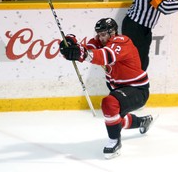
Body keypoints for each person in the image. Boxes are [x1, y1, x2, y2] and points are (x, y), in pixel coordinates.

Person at [59, 18, 153, 159]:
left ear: (113, 32)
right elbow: (86, 48)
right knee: (116, 120)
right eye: (99, 34)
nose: (101, 38)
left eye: (104, 34)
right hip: (119, 89)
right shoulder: (99, 41)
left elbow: (105, 56)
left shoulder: (122, 41)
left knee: (109, 104)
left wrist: (81, 54)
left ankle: (114, 142)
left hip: (137, 89)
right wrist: (69, 43)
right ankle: (143, 121)